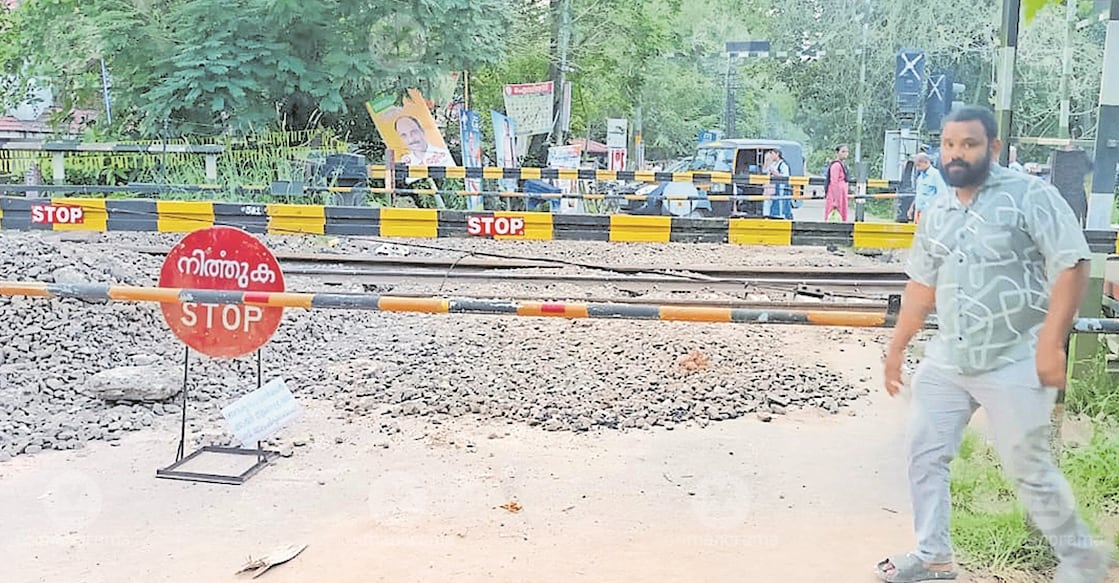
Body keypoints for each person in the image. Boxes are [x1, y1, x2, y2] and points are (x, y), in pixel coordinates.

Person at [877, 105, 1111, 583]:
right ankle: (933, 557)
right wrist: (898, 346)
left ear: (994, 148)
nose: (957, 154)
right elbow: (922, 285)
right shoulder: (939, 207)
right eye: (948, 145)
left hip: (1015, 357)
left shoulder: (1031, 196)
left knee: (1029, 467)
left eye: (969, 144)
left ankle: (1082, 562)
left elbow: (1072, 264)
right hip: (949, 357)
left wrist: (1051, 343)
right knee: (923, 453)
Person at [906, 152, 950, 225]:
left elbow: (942, 195)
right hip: (918, 212)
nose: (917, 168)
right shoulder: (920, 177)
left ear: (926, 162)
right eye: (916, 166)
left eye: (919, 166)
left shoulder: (936, 175)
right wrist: (911, 208)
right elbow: (918, 194)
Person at [763, 148, 793, 220]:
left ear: (777, 154)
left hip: (781, 187)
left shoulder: (783, 165)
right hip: (772, 187)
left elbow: (786, 176)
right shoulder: (773, 164)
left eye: (772, 154)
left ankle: (782, 215)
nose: (771, 156)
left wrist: (775, 173)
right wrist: (766, 161)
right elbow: (765, 170)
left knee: (781, 202)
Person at [824, 144, 850, 222]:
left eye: (846, 152)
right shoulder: (836, 165)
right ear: (837, 153)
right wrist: (835, 200)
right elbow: (834, 182)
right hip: (836, 194)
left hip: (842, 194)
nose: (845, 154)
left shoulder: (843, 165)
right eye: (843, 151)